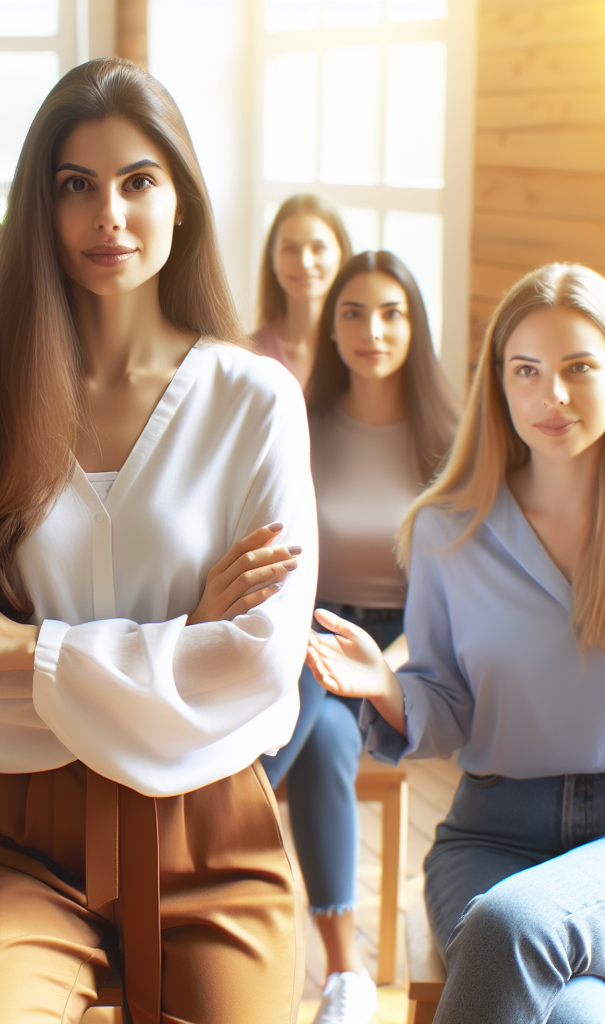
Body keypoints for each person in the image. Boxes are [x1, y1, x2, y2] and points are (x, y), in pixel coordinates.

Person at [0, 57, 317, 1024]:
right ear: (39, 207)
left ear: (182, 200)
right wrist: (176, 644)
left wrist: (27, 646)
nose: (107, 215)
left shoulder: (255, 403)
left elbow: (257, 662)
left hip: (216, 840)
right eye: (75, 185)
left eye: (137, 182)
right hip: (20, 843)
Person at [307, 263, 605, 1024]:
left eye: (579, 368)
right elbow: (448, 711)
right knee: (575, 1016)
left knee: (512, 926)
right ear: (498, 383)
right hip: (490, 834)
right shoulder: (447, 531)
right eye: (527, 371)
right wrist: (386, 686)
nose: (554, 396)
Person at [262, 251, 458, 1023]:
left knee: (321, 712)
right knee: (325, 736)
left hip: (409, 647)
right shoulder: (299, 425)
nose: (372, 331)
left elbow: (455, 592)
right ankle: (345, 973)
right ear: (332, 329)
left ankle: (213, 815)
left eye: (390, 313)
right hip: (310, 625)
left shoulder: (448, 438)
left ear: (415, 324)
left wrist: (390, 662)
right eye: (352, 313)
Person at [251, 194, 352, 389]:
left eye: (319, 248)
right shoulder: (248, 353)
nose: (305, 263)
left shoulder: (359, 350)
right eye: (290, 249)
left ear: (342, 253)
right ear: (272, 257)